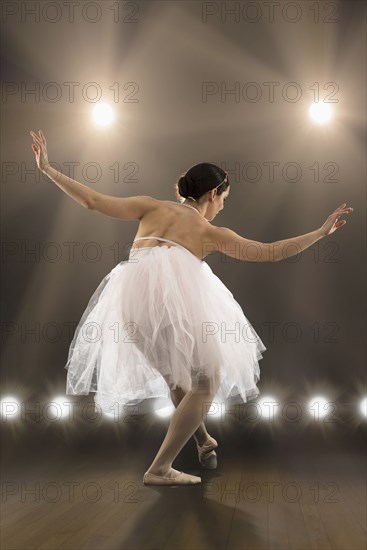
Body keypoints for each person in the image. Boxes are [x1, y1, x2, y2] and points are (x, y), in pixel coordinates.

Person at [30, 129, 353, 486]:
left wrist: (48, 168)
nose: (223, 207)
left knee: (177, 378)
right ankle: (159, 468)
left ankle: (203, 441)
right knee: (207, 381)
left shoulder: (150, 206)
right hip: (171, 300)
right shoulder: (208, 231)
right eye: (224, 199)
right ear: (213, 193)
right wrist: (319, 233)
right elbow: (271, 251)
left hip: (128, 299)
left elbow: (92, 200)